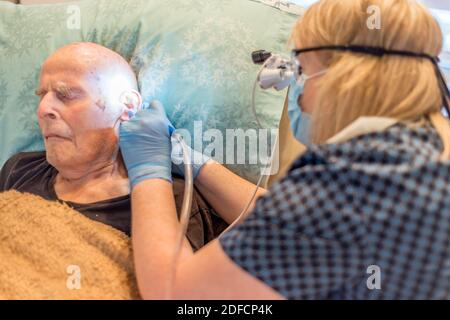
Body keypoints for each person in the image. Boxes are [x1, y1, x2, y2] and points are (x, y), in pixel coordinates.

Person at [120, 0, 450, 299]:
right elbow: (298, 225)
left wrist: (149, 170)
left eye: (302, 70)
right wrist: (198, 164)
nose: (296, 91)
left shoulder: (353, 179)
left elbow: (177, 295)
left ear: (344, 77)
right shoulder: (421, 150)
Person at [0, 42, 227, 250]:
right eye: (42, 96)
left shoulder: (166, 197)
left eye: (65, 94)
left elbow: (175, 285)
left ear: (128, 106)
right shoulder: (19, 170)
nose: (42, 110)